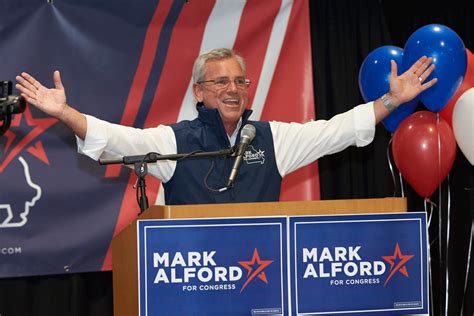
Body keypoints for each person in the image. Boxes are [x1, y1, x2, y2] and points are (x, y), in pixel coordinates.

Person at [15, 48, 437, 205]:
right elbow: (115, 139)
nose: (232, 90)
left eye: (240, 81)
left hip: (262, 277)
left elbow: (337, 130)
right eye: (220, 82)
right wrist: (65, 112)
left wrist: (391, 101)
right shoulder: (174, 141)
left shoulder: (272, 138)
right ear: (199, 91)